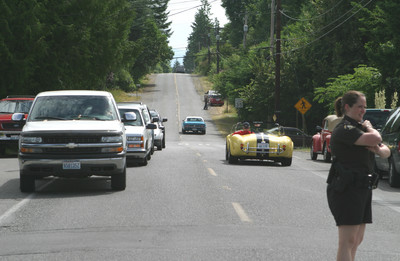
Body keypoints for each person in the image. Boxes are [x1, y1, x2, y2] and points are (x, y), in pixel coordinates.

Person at [327, 91, 390, 261]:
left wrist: (377, 149)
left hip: (362, 187)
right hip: (346, 188)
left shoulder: (359, 128)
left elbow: (386, 152)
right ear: (347, 107)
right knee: (347, 241)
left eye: (364, 107)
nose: (363, 110)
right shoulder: (345, 129)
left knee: (356, 240)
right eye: (359, 106)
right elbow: (376, 137)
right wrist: (370, 128)